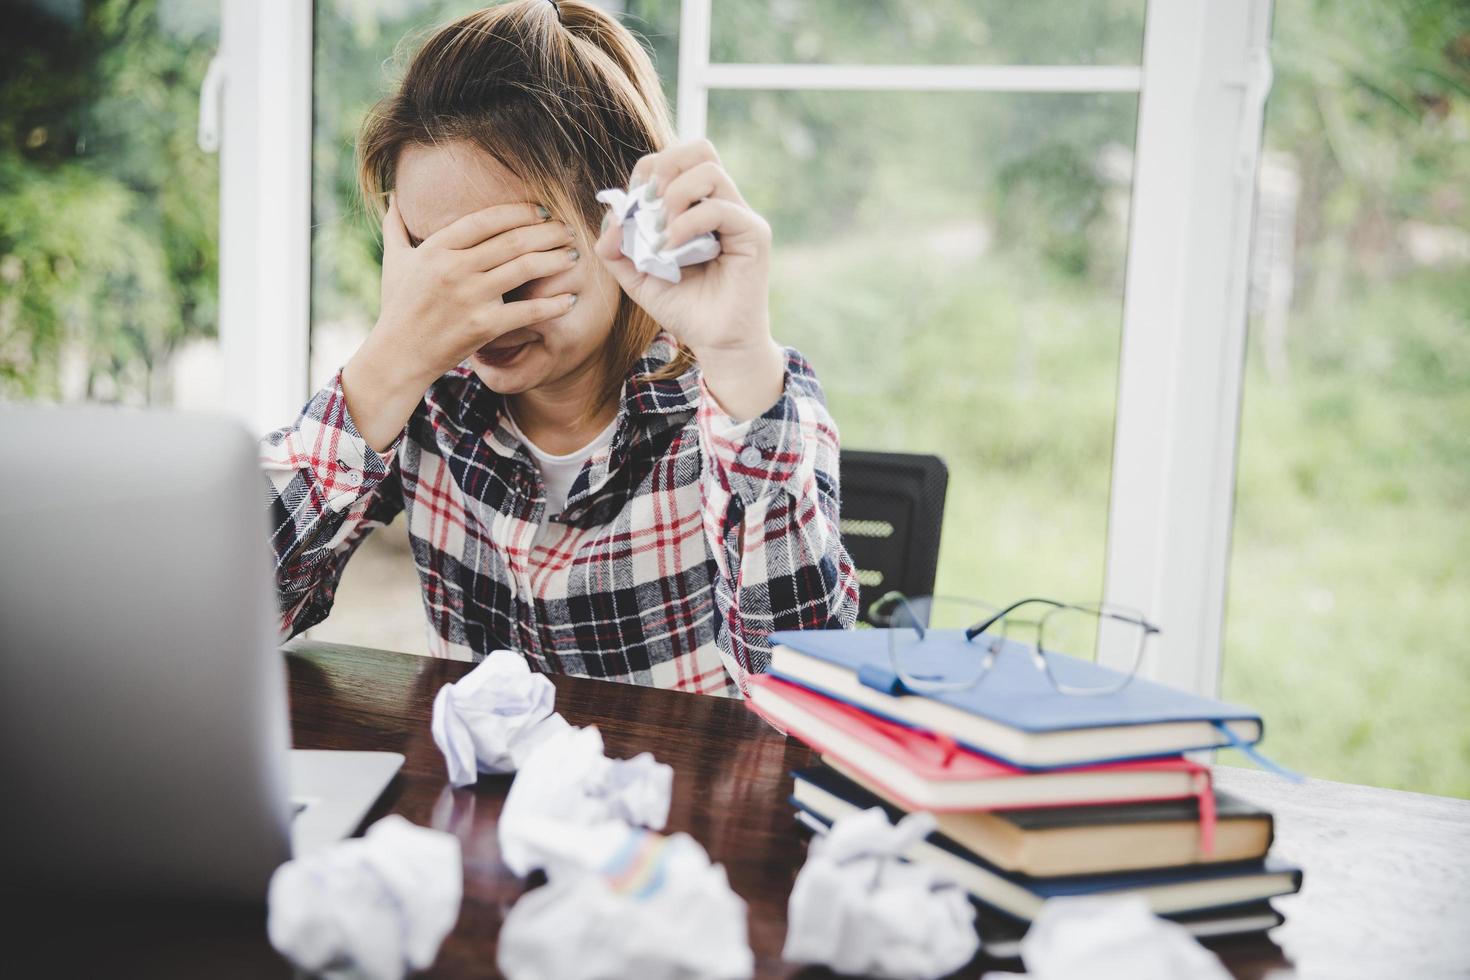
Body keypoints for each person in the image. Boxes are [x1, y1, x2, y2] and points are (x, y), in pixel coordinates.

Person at [261, 0, 857, 697]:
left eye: (519, 259)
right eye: (444, 266)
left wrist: (739, 358)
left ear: (623, 223)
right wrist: (391, 356)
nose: (483, 309)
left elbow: (806, 696)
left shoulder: (737, 401)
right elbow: (226, 615)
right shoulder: (430, 395)